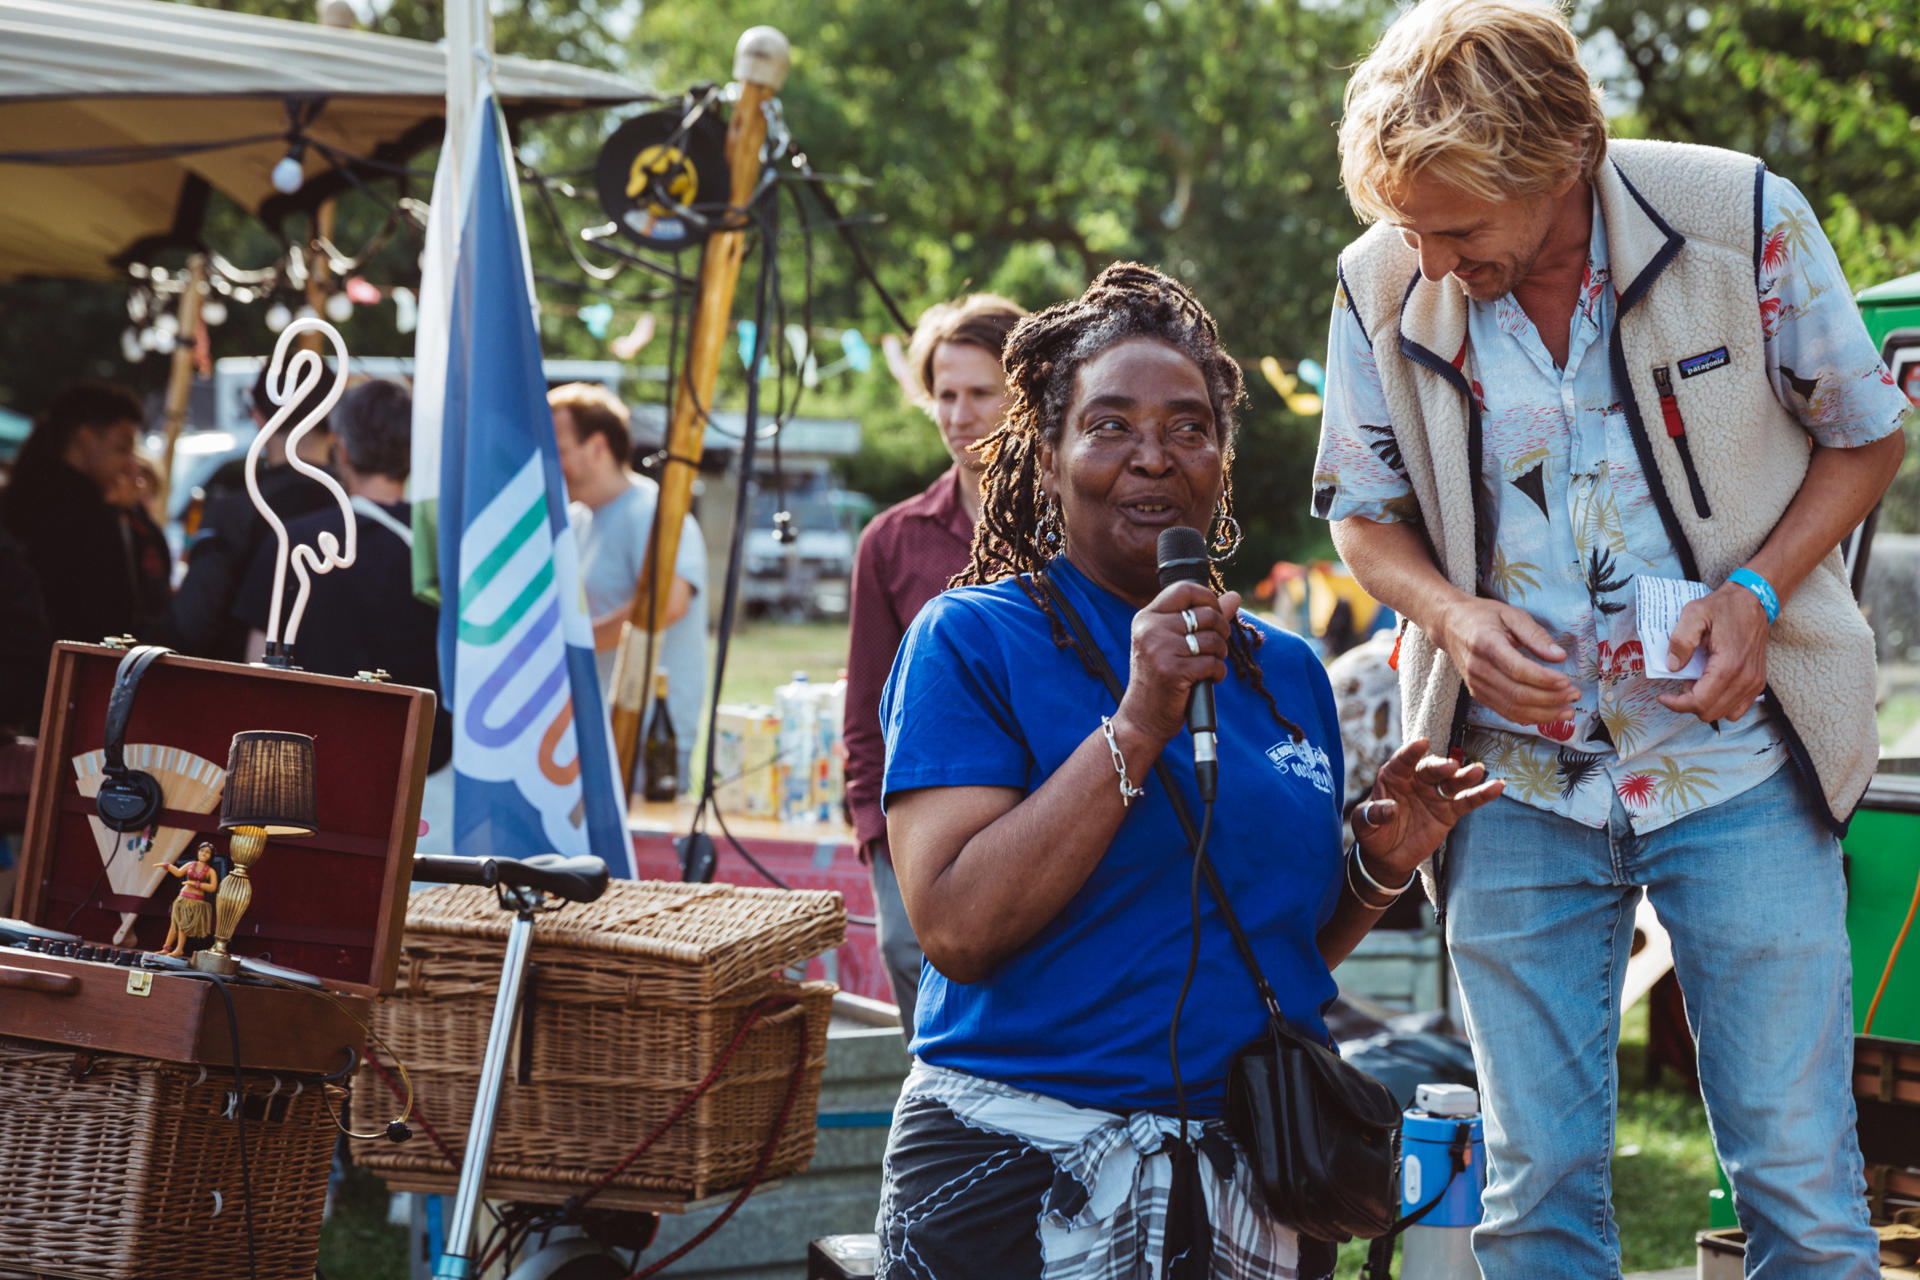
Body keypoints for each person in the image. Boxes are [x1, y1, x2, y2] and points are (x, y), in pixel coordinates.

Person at [1314, 2, 1910, 1275]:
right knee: (1535, 1186)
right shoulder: (1381, 276)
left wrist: (1753, 593)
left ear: (1557, 159)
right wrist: (1457, 615)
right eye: (1408, 228)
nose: (1427, 260)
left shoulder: (1740, 216)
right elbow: (1363, 521)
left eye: (1458, 229)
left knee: (1799, 1178)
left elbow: (1866, 433)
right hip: (1509, 782)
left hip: (1741, 764)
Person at [875, 263, 1501, 1278]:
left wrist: (1380, 868)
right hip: (1015, 1165)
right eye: (1111, 424)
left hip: (1245, 1173)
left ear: (1222, 457)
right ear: (1047, 450)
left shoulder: (1285, 670)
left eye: (1189, 426)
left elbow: (1267, 956)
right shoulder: (972, 641)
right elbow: (956, 926)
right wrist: (1136, 721)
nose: (1153, 457)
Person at [844, 293, 1027, 1037]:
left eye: (980, 393)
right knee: (916, 972)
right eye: (944, 395)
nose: (959, 413)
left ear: (1027, 395)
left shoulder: (1088, 531)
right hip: (922, 821)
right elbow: (864, 711)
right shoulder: (890, 542)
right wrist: (876, 839)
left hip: (1046, 809)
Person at [232, 379, 451, 771]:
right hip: (421, 765)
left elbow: (256, 670)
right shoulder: (444, 548)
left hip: (308, 770)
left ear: (342, 450)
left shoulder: (290, 540)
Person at [549, 382, 706, 784]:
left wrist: (565, 650)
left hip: (646, 737)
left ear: (598, 447)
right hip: (587, 734)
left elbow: (667, 604)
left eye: (559, 449)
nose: (548, 461)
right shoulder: (578, 520)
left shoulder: (652, 512)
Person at [153, 362, 335, 660]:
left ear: (258, 417)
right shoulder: (358, 512)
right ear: (334, 421)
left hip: (245, 691)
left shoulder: (235, 512)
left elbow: (190, 625)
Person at [1, 382, 146, 653]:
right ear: (86, 438)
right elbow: (113, 611)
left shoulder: (19, 497)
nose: (130, 464)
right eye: (122, 448)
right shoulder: (88, 516)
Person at [159, 841, 218, 958]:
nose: (204, 854)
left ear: (211, 856)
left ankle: (179, 949)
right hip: (182, 898)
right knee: (175, 923)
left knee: (183, 924)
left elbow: (212, 887)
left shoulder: (211, 871)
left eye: (207, 852)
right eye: (202, 851)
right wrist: (167, 866)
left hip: (195, 901)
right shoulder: (190, 864)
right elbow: (178, 872)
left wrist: (195, 884)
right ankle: (166, 948)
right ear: (198, 852)